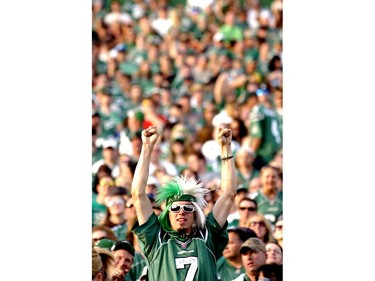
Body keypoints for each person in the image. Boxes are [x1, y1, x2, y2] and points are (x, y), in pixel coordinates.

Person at [131, 125, 236, 281]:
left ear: (196, 215)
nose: (181, 212)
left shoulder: (207, 236)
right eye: (175, 208)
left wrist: (226, 149)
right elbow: (138, 194)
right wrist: (147, 147)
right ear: (168, 213)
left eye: (188, 208)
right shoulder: (156, 240)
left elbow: (228, 194)